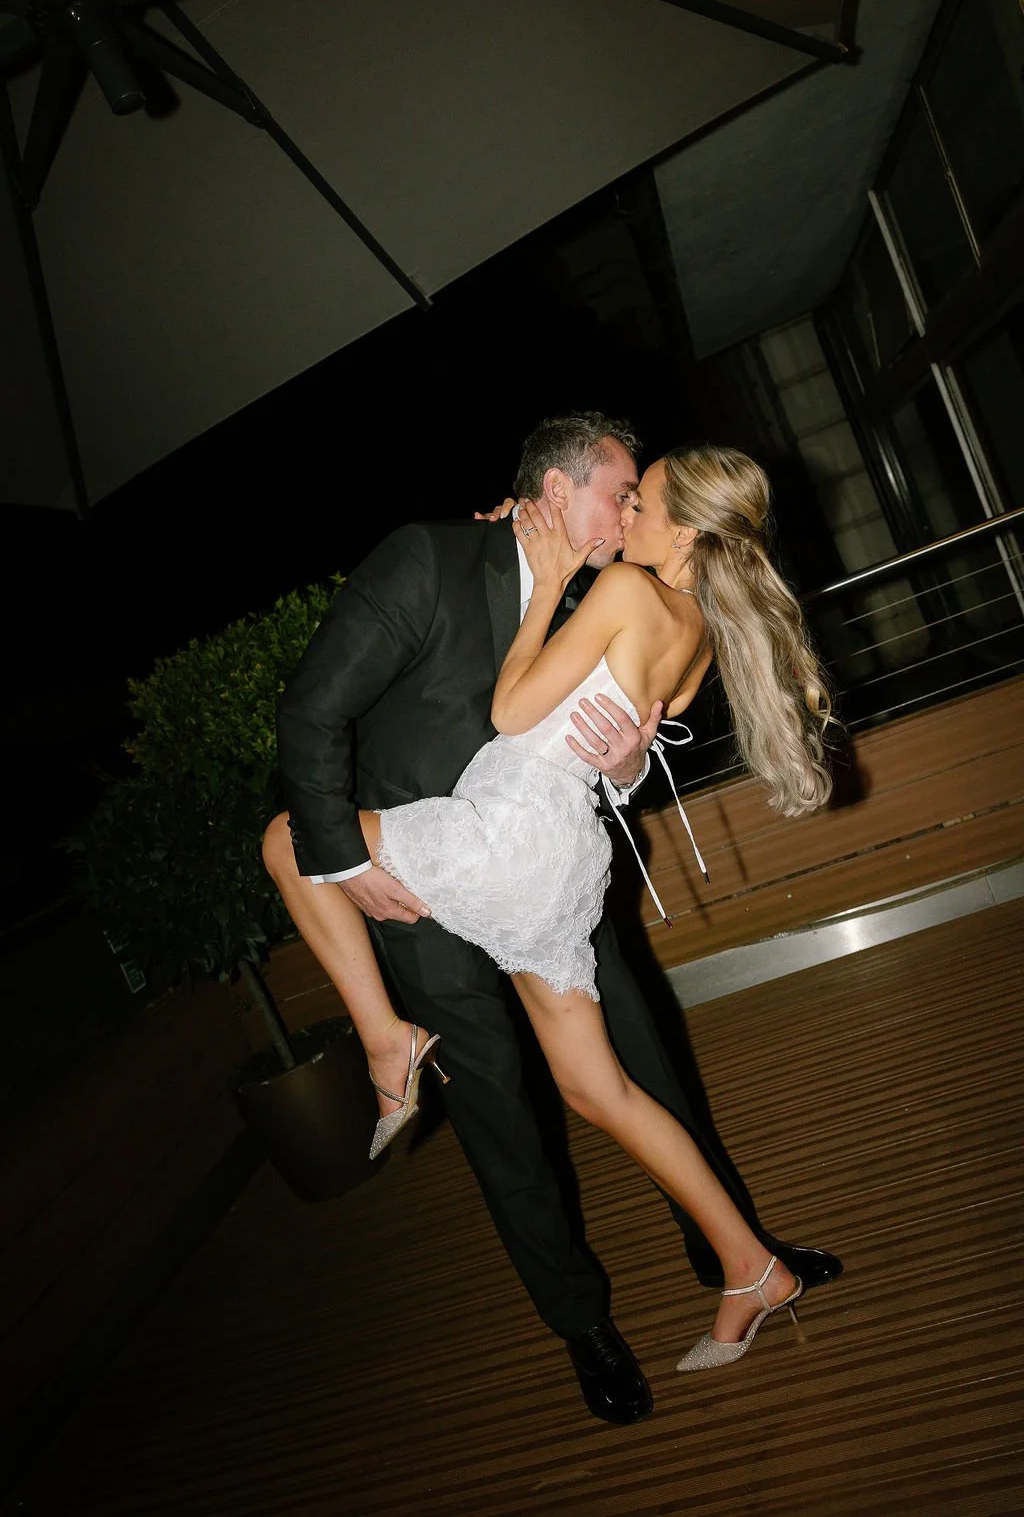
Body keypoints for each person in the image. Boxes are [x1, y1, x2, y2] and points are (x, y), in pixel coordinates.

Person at [263, 413, 842, 1422]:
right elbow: (315, 711)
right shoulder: (451, 560)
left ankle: (383, 1042)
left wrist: (622, 759)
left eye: (641, 502)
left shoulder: (610, 582)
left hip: (501, 846)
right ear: (552, 490)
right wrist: (351, 857)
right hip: (511, 864)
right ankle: (716, 1283)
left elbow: (529, 716)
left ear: (680, 533)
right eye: (619, 493)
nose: (626, 513)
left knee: (283, 844)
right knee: (580, 1097)